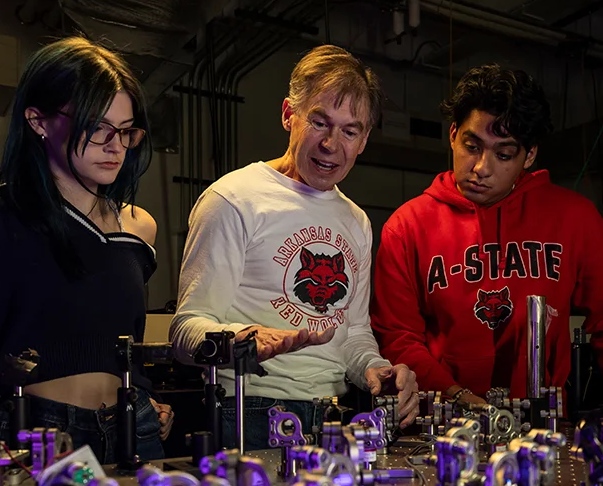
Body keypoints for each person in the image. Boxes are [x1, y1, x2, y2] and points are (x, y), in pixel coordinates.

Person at [0, 37, 173, 467]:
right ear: (37, 120)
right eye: (98, 128)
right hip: (42, 439)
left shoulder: (139, 226)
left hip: (134, 431)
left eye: (127, 131)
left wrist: (146, 398)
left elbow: (114, 340)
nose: (116, 147)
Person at [170, 45, 419, 450]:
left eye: (350, 131)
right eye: (320, 122)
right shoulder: (234, 198)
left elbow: (353, 333)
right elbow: (186, 331)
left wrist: (379, 369)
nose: (331, 144)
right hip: (250, 412)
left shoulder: (355, 220)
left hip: (338, 417)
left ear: (364, 139)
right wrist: (243, 338)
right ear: (289, 114)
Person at [370, 64, 603, 409]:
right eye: (472, 146)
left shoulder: (575, 219)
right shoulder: (407, 226)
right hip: (443, 418)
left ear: (528, 155)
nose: (481, 168)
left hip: (541, 418)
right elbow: (398, 336)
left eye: (503, 154)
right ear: (453, 134)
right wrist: (456, 395)